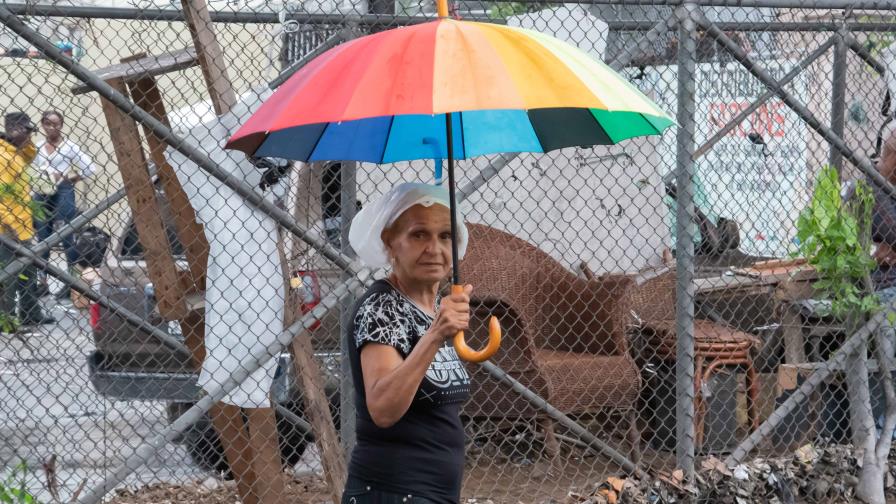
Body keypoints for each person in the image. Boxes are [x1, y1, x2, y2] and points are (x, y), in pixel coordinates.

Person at [343, 183, 473, 504]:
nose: (434, 248)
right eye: (418, 235)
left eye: (445, 236)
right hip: (393, 492)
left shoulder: (433, 308)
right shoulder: (383, 308)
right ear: (390, 243)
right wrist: (435, 336)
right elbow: (383, 409)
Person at [33, 110, 96, 299]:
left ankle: (71, 284)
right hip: (43, 192)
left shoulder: (69, 146)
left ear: (62, 125)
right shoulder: (38, 147)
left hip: (63, 191)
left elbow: (89, 168)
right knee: (43, 238)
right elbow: (32, 169)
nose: (53, 127)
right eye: (49, 124)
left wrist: (70, 178)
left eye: (57, 124)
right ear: (43, 125)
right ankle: (42, 282)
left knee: (67, 236)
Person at [0, 112, 55, 326]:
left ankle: (31, 313)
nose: (28, 133)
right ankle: (6, 317)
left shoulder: (15, 152)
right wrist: (6, 223)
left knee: (28, 272)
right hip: (8, 228)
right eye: (25, 129)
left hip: (23, 225)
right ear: (13, 129)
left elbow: (31, 157)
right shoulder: (3, 156)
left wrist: (27, 139)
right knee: (9, 276)